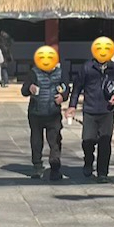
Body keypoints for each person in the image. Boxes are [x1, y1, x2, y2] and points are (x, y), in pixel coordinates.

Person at [70, 36, 114, 181]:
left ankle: (103, 173)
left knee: (105, 142)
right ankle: (88, 161)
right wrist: (72, 106)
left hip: (107, 111)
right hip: (90, 110)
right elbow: (77, 88)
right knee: (87, 141)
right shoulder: (87, 68)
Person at [20, 44, 69, 179]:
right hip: (36, 113)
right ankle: (37, 166)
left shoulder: (61, 72)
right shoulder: (33, 72)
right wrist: (29, 88)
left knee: (55, 141)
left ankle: (55, 168)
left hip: (53, 113)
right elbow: (23, 91)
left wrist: (62, 97)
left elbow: (66, 88)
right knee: (36, 141)